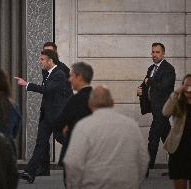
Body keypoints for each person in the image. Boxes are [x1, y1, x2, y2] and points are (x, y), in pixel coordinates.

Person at [64, 85, 149, 189]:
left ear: (90, 105)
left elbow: (72, 162)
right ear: (112, 103)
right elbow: (143, 158)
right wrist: (135, 182)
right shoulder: (131, 125)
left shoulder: (83, 126)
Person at [15, 49, 68, 183]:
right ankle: (29, 173)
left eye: (42, 59)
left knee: (65, 141)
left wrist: (27, 84)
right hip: (47, 117)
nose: (40, 62)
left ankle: (81, 161)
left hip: (56, 117)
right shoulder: (48, 73)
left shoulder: (59, 74)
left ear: (50, 61)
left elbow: (46, 90)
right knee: (40, 144)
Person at [137, 42, 176, 174]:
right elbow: (145, 84)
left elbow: (164, 86)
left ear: (163, 53)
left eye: (157, 52)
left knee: (153, 137)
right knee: (168, 139)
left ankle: (146, 168)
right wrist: (140, 89)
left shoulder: (168, 69)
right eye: (153, 52)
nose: (154, 55)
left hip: (163, 109)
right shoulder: (151, 68)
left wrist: (150, 81)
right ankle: (178, 166)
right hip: (155, 109)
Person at [54, 62, 93, 166]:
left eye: (71, 76)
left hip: (75, 155)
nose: (69, 79)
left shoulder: (75, 100)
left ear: (79, 77)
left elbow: (59, 124)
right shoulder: (97, 98)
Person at [162, 74, 191, 189]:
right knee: (179, 182)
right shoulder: (178, 101)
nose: (189, 88)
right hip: (179, 149)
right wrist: (175, 93)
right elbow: (165, 112)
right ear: (182, 86)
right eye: (186, 85)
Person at [43, 42, 73, 144]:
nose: (46, 54)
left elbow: (67, 91)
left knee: (59, 135)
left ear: (55, 52)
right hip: (51, 108)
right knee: (43, 139)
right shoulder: (47, 68)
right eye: (45, 51)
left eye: (49, 51)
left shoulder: (61, 69)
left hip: (60, 108)